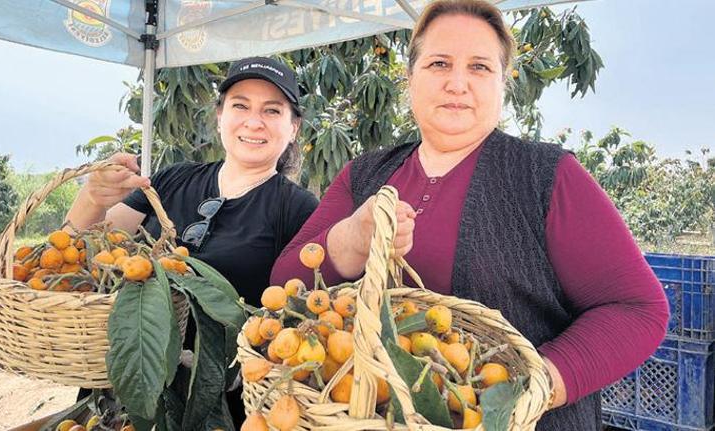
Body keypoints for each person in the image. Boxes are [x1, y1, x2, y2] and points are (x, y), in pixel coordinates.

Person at [270, 1, 669, 430]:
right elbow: (283, 287)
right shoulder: (365, 175)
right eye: (439, 63)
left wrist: (530, 390)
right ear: (410, 79)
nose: (457, 83)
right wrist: (349, 241)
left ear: (502, 84)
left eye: (479, 67)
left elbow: (637, 309)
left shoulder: (546, 176)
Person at [66, 56, 319, 427]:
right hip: (124, 376)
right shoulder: (173, 179)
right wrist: (92, 197)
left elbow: (299, 315)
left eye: (272, 110)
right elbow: (81, 252)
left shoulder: (297, 209)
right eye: (240, 105)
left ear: (293, 128)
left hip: (216, 401)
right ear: (220, 117)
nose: (253, 121)